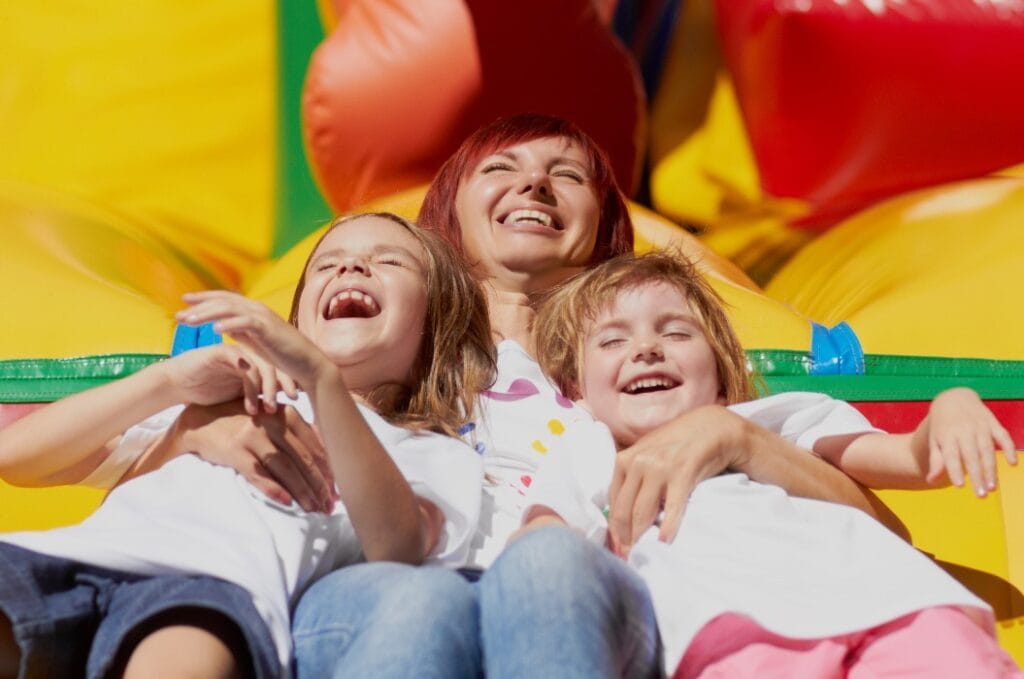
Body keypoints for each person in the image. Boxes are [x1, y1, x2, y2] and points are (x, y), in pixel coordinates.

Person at [108, 114, 909, 677]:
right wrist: (194, 431)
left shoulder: (650, 364)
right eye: (502, 168)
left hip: (596, 604)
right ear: (444, 217)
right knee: (412, 603)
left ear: (605, 226)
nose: (535, 182)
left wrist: (745, 443)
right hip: (388, 600)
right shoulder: (369, 349)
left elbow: (886, 532)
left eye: (567, 175)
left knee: (549, 566)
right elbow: (139, 487)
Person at [0, 212, 495, 678]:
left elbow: (399, 544)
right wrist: (169, 383)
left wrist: (322, 381)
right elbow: (18, 456)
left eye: (390, 261)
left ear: (437, 324)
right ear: (299, 318)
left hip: (207, 593)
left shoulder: (429, 449)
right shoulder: (223, 396)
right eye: (327, 262)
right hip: (74, 557)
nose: (351, 265)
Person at [523, 249, 1021, 677]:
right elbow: (540, 551)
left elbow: (907, 459)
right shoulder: (587, 452)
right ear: (577, 393)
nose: (646, 348)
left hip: (893, 602)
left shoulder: (778, 416)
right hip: (734, 632)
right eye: (613, 341)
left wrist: (950, 406)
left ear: (719, 376)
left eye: (676, 333)